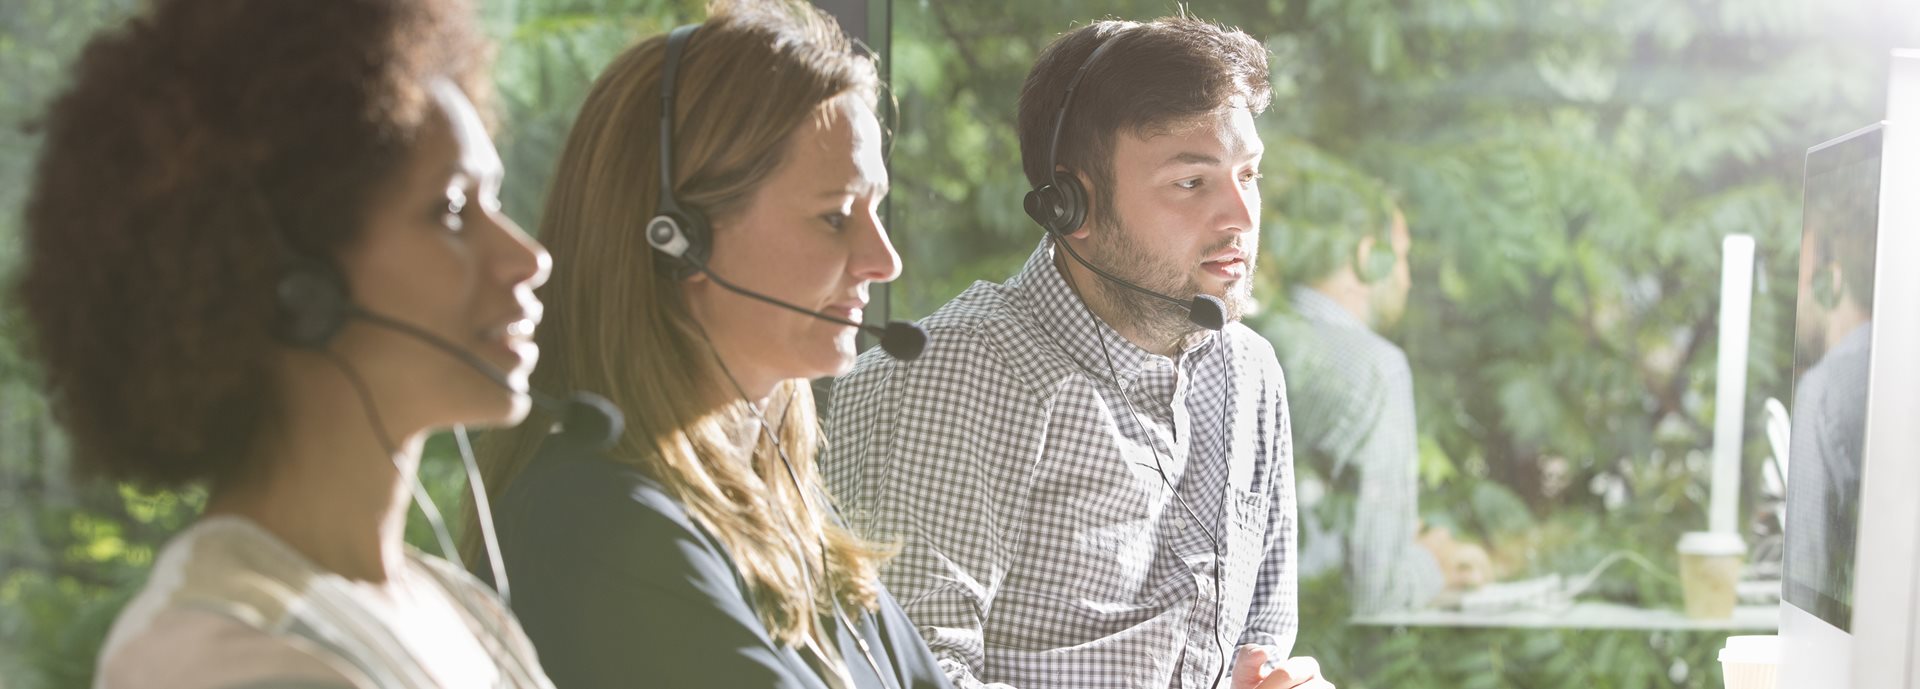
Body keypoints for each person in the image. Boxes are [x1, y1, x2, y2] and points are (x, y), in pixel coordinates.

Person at [18, 1, 555, 687]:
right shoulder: (221, 658)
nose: (527, 257)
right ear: (290, 284)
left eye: (495, 202)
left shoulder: (461, 610)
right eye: (451, 208)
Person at [824, 16, 1330, 689]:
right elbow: (911, 673)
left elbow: (1261, 639)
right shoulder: (956, 374)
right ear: (1072, 205)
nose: (1240, 215)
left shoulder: (1247, 372)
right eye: (1192, 182)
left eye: (1249, 174)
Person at [463, 2, 946, 687]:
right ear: (677, 236)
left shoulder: (780, 498)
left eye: (877, 209)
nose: (884, 258)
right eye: (835, 216)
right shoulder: (599, 527)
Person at [1254, 190, 1490, 616]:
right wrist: (1433, 562)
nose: (1408, 279)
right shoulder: (1377, 369)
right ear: (1367, 256)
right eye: (1401, 257)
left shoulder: (1248, 339)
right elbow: (1376, 594)